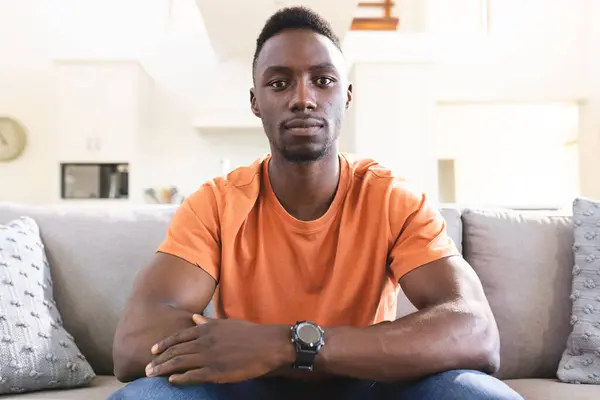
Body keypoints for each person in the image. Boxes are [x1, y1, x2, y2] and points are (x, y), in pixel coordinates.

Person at [109, 6, 523, 400]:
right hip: (247, 385)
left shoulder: (393, 198)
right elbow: (133, 345)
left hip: (369, 383)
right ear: (256, 101)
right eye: (279, 83)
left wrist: (286, 344)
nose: (302, 98)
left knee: (475, 393)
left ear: (346, 96)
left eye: (322, 80)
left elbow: (475, 331)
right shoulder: (215, 203)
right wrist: (242, 351)